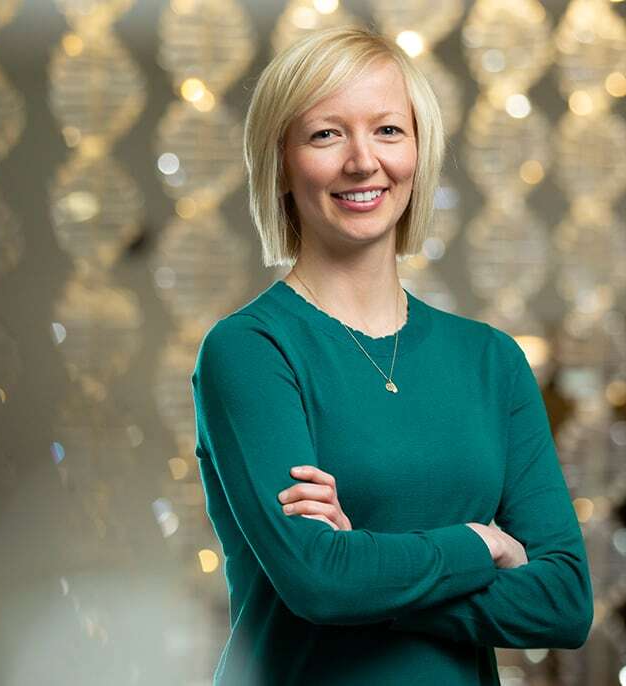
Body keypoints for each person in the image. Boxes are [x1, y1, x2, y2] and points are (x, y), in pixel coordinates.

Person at [189, 26, 593, 684]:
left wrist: (365, 569)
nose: (361, 162)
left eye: (387, 130)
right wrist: (477, 544)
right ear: (282, 162)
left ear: (418, 150)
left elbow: (565, 603)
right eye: (326, 134)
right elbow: (318, 583)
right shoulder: (249, 351)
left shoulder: (491, 361)